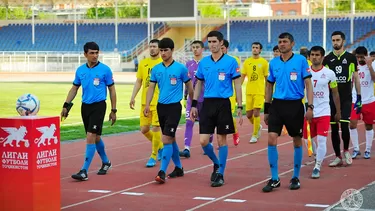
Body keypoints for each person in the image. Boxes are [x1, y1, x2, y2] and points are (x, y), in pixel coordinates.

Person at [190, 31, 243, 187]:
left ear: (221, 43)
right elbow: (198, 83)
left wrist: (240, 105)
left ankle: (220, 173)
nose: (212, 45)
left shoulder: (231, 62)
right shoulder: (204, 63)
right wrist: (194, 104)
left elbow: (237, 84)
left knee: (221, 140)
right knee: (203, 141)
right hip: (207, 104)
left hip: (223, 104)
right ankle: (216, 162)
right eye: (210, 42)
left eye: (215, 42)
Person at [262, 32, 313, 192]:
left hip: (295, 105)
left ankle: (295, 176)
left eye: (285, 41)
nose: (281, 44)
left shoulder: (301, 61)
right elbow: (269, 85)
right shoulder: (273, 63)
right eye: (279, 42)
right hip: (277, 105)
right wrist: (267, 108)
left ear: (292, 44)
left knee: (297, 141)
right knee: (271, 139)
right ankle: (275, 178)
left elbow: (308, 84)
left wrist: (309, 106)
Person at [61, 42, 117, 181]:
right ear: (85, 54)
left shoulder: (105, 70)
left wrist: (113, 110)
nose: (95, 55)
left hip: (99, 106)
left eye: (97, 52)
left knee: (90, 136)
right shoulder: (80, 70)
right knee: (96, 137)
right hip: (85, 107)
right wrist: (66, 105)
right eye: (92, 53)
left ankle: (84, 171)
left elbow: (112, 90)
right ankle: (106, 162)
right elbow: (74, 88)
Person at [144, 37, 194, 184]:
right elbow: (151, 87)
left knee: (165, 138)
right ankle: (178, 167)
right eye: (161, 50)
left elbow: (190, 87)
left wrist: (193, 105)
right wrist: (147, 104)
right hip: (161, 107)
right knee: (170, 138)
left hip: (174, 107)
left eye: (166, 50)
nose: (163, 53)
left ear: (172, 51)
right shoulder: (156, 69)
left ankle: (162, 171)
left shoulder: (180, 68)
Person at [322, 31, 361, 167]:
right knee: (333, 128)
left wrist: (359, 96)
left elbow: (355, 78)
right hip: (331, 99)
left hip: (346, 98)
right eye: (333, 40)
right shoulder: (327, 59)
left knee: (344, 124)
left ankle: (346, 150)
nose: (335, 43)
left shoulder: (351, 58)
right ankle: (337, 156)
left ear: (343, 41)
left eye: (338, 40)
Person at [303, 46, 341, 179]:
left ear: (322, 57)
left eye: (317, 55)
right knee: (308, 141)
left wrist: (338, 111)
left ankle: (317, 166)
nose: (314, 57)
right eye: (312, 54)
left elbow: (335, 94)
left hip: (324, 111)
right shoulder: (305, 71)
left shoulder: (330, 73)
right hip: (308, 112)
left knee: (321, 140)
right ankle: (316, 157)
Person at [130, 39, 163, 167]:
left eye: (154, 46)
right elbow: (139, 81)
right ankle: (160, 146)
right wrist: (133, 96)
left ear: (160, 48)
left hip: (158, 102)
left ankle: (153, 156)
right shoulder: (143, 63)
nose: (152, 49)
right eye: (150, 46)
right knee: (144, 129)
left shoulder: (163, 63)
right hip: (145, 102)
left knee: (156, 128)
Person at [179, 40, 214, 158]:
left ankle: (209, 144)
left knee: (206, 124)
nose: (195, 49)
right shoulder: (188, 64)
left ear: (202, 49)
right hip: (191, 99)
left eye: (197, 47)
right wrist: (185, 96)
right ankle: (186, 148)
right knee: (189, 122)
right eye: (193, 47)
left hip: (206, 99)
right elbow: (186, 81)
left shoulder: (207, 63)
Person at [241, 42, 269, 143]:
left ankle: (255, 135)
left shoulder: (264, 62)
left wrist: (267, 92)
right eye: (253, 47)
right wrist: (237, 89)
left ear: (260, 50)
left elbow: (267, 79)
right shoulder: (247, 62)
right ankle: (258, 127)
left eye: (257, 48)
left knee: (256, 113)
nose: (255, 49)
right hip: (249, 91)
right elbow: (242, 77)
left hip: (259, 91)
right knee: (249, 115)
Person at [350, 46, 375, 159]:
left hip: (369, 100)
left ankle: (368, 149)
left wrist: (369, 66)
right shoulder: (353, 66)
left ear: (366, 55)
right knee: (352, 124)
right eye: (358, 57)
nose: (359, 59)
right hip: (356, 100)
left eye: (362, 57)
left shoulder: (373, 64)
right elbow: (350, 82)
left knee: (368, 125)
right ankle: (356, 149)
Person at [221, 39, 241, 146]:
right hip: (217, 95)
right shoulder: (213, 61)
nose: (221, 50)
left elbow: (236, 80)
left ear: (227, 48)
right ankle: (221, 141)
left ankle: (235, 132)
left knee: (229, 116)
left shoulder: (234, 60)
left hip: (230, 94)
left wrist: (238, 97)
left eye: (223, 48)